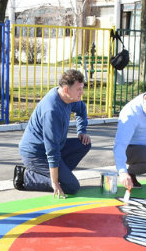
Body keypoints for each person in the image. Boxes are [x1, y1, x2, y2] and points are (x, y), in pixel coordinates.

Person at [14, 69, 92, 198]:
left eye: (82, 88)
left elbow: (82, 109)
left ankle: (60, 174)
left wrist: (82, 131)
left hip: (55, 148)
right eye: (79, 89)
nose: (82, 93)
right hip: (36, 154)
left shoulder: (67, 98)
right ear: (66, 89)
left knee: (84, 144)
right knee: (72, 187)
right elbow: (52, 151)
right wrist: (55, 182)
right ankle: (27, 177)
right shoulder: (52, 110)